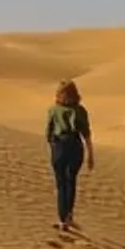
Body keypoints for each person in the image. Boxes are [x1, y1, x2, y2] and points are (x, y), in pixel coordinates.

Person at [45, 80, 94, 231]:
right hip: (71, 146)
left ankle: (64, 218)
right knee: (68, 182)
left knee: (64, 183)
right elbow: (86, 134)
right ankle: (66, 217)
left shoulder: (55, 110)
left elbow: (48, 133)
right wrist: (91, 154)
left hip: (62, 146)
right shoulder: (78, 110)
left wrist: (91, 155)